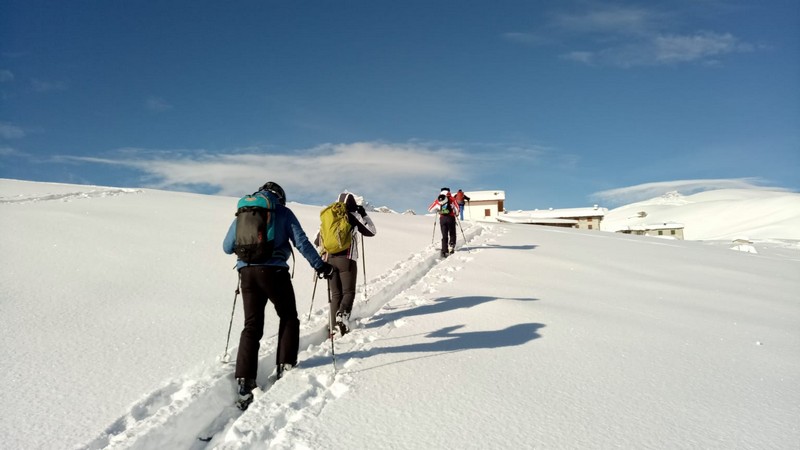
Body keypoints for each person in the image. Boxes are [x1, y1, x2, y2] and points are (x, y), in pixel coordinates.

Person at [223, 181, 335, 409]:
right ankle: (285, 365)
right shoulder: (282, 211)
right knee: (288, 317)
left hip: (247, 273)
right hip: (274, 272)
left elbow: (227, 246)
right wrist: (320, 266)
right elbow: (301, 241)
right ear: (280, 197)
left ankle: (245, 382)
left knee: (251, 325)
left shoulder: (244, 212)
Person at [315, 192, 377, 336]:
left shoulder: (329, 217)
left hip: (329, 259)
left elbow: (317, 240)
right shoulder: (352, 216)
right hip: (347, 259)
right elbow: (371, 231)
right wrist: (364, 214)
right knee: (348, 292)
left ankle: (332, 328)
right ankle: (342, 316)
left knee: (336, 294)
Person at [428, 187, 459, 257]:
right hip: (451, 218)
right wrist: (456, 213)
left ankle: (444, 250)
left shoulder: (438, 199)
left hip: (442, 219)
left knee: (444, 235)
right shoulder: (452, 198)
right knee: (452, 233)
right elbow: (457, 208)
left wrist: (438, 210)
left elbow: (430, 209)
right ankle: (451, 245)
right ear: (449, 191)